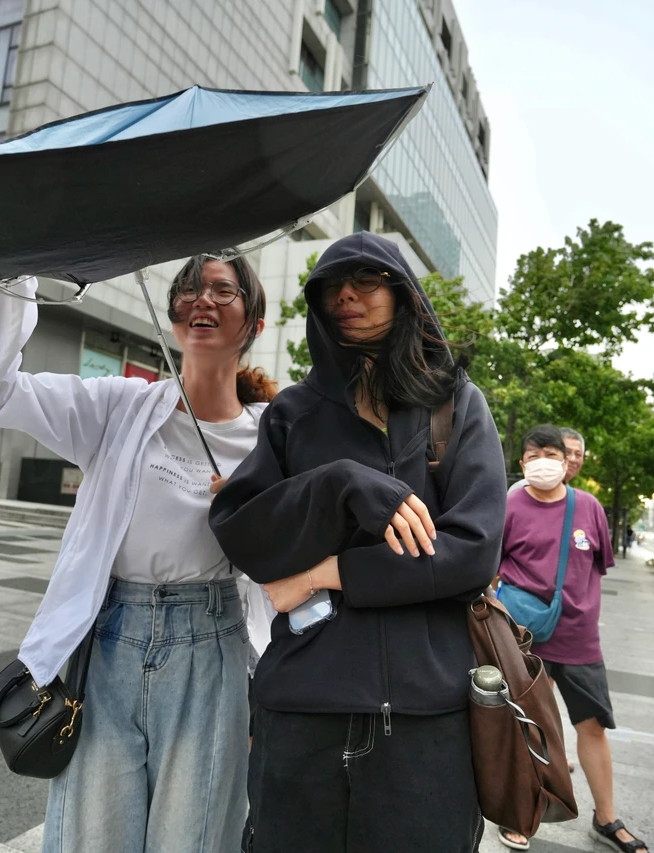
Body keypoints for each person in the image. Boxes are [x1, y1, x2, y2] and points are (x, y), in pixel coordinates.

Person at [0, 256, 275, 853]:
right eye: (188, 288)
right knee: (92, 837)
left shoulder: (272, 438)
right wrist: (14, 278)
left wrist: (255, 513)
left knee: (197, 838)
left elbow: (292, 559)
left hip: (213, 649)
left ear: (254, 322)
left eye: (222, 290)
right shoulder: (119, 408)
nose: (200, 298)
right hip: (106, 645)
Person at [209, 232, 507, 853]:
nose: (346, 295)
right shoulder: (293, 413)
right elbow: (244, 535)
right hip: (301, 709)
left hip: (427, 717)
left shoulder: (453, 407)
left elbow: (472, 553)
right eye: (330, 287)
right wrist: (340, 484)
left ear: (402, 294)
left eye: (367, 281)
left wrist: (328, 573)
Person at [496, 425, 645, 853]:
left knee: (593, 726)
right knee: (527, 727)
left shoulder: (590, 507)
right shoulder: (510, 505)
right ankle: (521, 812)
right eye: (532, 454)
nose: (542, 461)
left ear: (567, 462)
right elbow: (491, 568)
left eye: (551, 453)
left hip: (579, 640)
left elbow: (596, 568)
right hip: (524, 639)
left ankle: (606, 818)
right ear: (522, 463)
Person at [509, 425, 585, 494]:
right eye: (567, 452)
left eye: (578, 454)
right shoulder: (519, 492)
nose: (572, 459)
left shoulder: (583, 501)